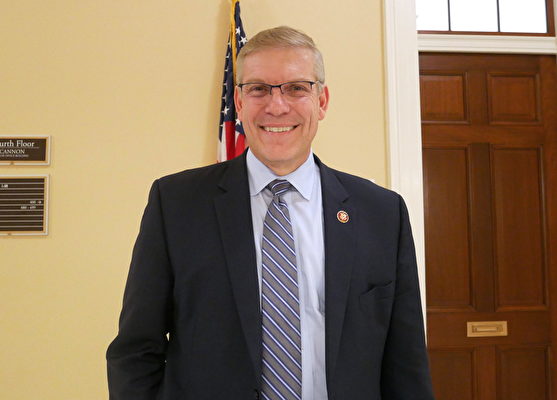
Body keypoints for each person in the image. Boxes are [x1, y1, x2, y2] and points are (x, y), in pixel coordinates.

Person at [107, 26, 434, 400]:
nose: (277, 106)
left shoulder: (381, 213)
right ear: (239, 102)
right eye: (259, 89)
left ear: (322, 101)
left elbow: (405, 362)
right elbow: (136, 351)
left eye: (296, 88)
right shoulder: (177, 204)